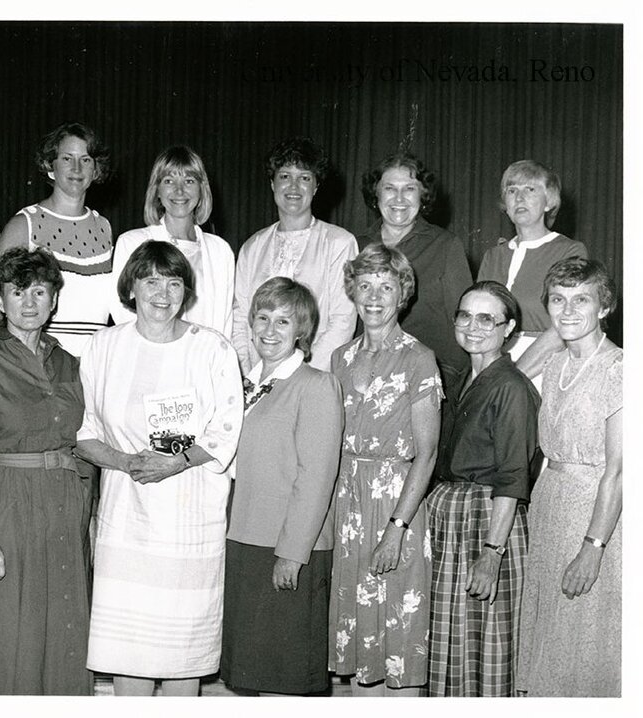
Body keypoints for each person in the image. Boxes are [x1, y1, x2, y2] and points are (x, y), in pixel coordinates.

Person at [75, 241, 242, 696]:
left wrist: (175, 463)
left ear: (187, 291)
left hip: (190, 519)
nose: (162, 294)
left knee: (182, 650)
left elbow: (227, 428)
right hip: (127, 518)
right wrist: (128, 462)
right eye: (150, 281)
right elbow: (84, 433)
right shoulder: (103, 347)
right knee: (129, 647)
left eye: (173, 283)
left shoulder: (212, 348)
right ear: (130, 287)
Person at [0, 247, 94, 695]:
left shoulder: (70, 363)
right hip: (6, 507)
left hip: (64, 508)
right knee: (2, 632)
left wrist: (85, 513)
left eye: (39, 291)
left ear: (54, 299)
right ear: (1, 300)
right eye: (17, 292)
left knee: (62, 629)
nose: (29, 302)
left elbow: (85, 440)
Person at [327, 243, 442, 696]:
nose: (374, 297)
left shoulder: (419, 358)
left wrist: (397, 527)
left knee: (398, 636)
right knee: (360, 647)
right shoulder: (340, 358)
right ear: (352, 293)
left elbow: (427, 453)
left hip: (398, 506)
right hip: (349, 508)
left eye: (387, 287)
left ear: (403, 295)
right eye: (365, 286)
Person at [220, 277, 343, 696]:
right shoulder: (243, 385)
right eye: (263, 318)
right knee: (248, 671)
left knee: (284, 675)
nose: (270, 331)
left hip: (289, 547)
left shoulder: (317, 385)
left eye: (283, 321)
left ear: (301, 331)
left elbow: (317, 476)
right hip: (243, 538)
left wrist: (292, 554)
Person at [426, 281, 540, 696]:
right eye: (465, 315)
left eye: (486, 318)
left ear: (508, 328)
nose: (472, 326)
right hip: (455, 522)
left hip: (489, 523)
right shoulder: (460, 379)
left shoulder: (510, 387)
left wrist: (492, 555)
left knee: (485, 645)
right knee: (455, 643)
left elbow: (512, 477)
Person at [517, 258, 621, 697]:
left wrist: (592, 549)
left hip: (594, 516)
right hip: (550, 504)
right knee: (550, 634)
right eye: (558, 300)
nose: (569, 310)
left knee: (585, 637)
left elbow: (619, 472)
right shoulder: (555, 363)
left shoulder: (620, 369)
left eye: (582, 299)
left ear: (604, 307)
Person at [0, 122, 112, 357]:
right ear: (50, 166)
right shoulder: (24, 225)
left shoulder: (104, 228)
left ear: (96, 170)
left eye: (86, 159)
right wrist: (25, 369)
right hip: (42, 373)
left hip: (94, 371)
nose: (76, 168)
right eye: (66, 158)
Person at [232, 136, 358, 372]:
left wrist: (298, 378)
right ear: (272, 183)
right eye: (285, 176)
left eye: (304, 178)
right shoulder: (252, 246)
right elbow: (240, 320)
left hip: (313, 376)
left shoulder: (340, 242)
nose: (293, 186)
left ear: (316, 186)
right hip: (256, 378)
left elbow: (342, 322)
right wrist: (249, 376)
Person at [357, 152, 473, 398]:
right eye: (389, 188)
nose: (399, 198)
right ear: (376, 194)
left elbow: (463, 320)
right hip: (366, 371)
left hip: (431, 373)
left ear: (422, 196)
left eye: (409, 188)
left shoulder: (445, 245)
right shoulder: (355, 246)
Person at [477, 160, 587, 376]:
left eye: (530, 189)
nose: (519, 197)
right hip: (491, 363)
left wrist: (512, 380)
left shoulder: (570, 252)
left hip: (546, 364)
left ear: (548, 202)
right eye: (512, 190)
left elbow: (565, 327)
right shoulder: (493, 256)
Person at [111, 146, 234, 337]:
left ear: (202, 190)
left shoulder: (221, 250)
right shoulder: (132, 242)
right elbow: (122, 311)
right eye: (169, 181)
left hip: (205, 360)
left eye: (189, 181)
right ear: (157, 190)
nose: (179, 190)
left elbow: (225, 322)